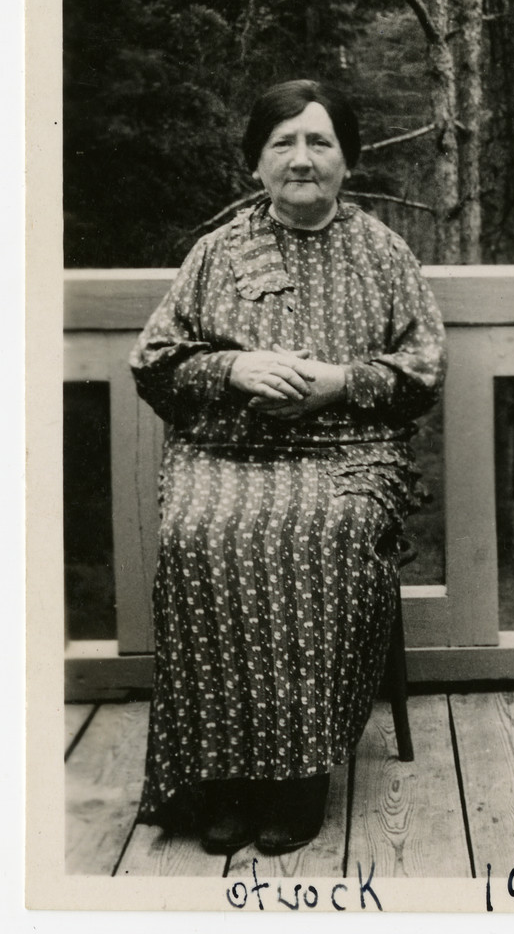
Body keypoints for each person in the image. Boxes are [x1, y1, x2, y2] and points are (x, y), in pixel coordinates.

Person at [129, 79, 447, 855]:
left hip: (348, 456)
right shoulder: (215, 254)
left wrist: (344, 382)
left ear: (348, 159)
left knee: (315, 534)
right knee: (197, 536)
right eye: (283, 144)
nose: (302, 159)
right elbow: (155, 363)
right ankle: (222, 780)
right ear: (254, 165)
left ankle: (297, 776)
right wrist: (233, 370)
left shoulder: (383, 251)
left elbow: (425, 368)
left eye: (320, 142)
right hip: (227, 451)